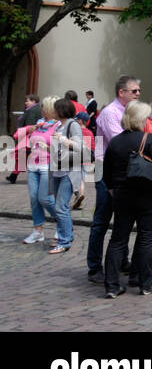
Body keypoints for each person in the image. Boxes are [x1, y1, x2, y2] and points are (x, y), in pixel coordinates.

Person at [102, 101, 152, 297]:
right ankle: (146, 283)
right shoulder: (148, 139)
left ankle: (112, 286)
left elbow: (107, 171)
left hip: (122, 195)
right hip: (146, 194)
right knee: (146, 238)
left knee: (118, 240)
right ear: (141, 119)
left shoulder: (115, 141)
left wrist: (112, 190)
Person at [86, 75, 138, 285]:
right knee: (101, 220)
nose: (137, 94)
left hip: (121, 171)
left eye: (138, 91)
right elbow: (121, 143)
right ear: (121, 93)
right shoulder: (110, 113)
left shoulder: (128, 112)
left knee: (122, 218)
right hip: (105, 170)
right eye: (134, 91)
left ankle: (122, 260)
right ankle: (94, 267)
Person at [15, 97, 60, 245]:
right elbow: (28, 139)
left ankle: (63, 222)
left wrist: (47, 147)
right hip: (33, 165)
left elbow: (62, 149)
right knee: (34, 199)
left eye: (43, 107)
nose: (41, 110)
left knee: (45, 198)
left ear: (50, 109)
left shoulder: (59, 126)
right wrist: (30, 131)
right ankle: (38, 231)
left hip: (47, 165)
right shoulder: (40, 124)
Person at [47, 97, 86, 254]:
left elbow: (78, 147)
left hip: (69, 171)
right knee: (60, 207)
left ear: (61, 110)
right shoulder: (58, 125)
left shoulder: (73, 125)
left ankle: (64, 241)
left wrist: (63, 139)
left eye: (55, 109)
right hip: (58, 170)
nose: (53, 111)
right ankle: (67, 237)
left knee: (60, 207)